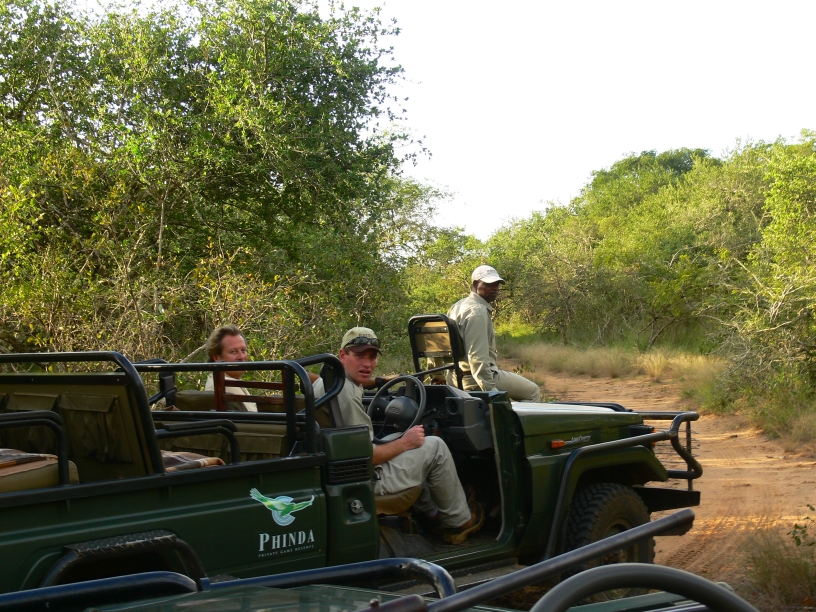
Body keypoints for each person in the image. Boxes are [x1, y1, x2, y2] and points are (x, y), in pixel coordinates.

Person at [336, 326, 483, 544]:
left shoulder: (334, 381)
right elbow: (369, 456)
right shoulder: (347, 396)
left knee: (397, 437)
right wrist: (405, 442)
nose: (367, 364)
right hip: (365, 478)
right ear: (343, 355)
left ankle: (432, 514)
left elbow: (360, 383)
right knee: (434, 446)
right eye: (359, 356)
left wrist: (380, 380)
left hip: (344, 468)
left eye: (372, 357)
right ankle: (459, 522)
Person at [447, 266, 541, 402]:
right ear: (475, 284)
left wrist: (437, 377)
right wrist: (492, 392)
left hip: (453, 377)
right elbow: (477, 359)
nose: (495, 288)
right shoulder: (477, 312)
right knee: (532, 392)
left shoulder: (457, 306)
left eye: (497, 284)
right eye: (489, 284)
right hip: (473, 379)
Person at [203, 324, 256, 412]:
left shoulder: (223, 379)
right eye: (233, 351)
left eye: (243, 350)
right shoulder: (225, 384)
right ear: (217, 358)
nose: (241, 356)